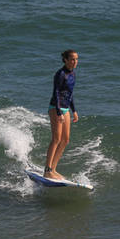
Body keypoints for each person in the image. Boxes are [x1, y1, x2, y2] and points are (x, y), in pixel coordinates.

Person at [44, 49, 79, 180]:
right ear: (65, 60)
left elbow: (70, 94)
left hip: (66, 109)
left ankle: (53, 169)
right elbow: (56, 93)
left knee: (65, 140)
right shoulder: (61, 74)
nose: (75, 62)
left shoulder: (73, 74)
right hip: (55, 108)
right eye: (72, 59)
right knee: (56, 139)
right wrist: (58, 112)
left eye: (76, 59)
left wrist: (74, 110)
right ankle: (47, 170)